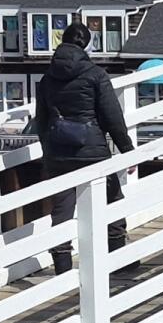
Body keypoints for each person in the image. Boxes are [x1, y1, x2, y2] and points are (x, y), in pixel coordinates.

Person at [32, 22, 135, 275]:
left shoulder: (47, 78)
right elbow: (112, 116)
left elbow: (41, 119)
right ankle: (117, 261)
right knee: (111, 200)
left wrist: (49, 151)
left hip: (59, 151)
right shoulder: (95, 74)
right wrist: (127, 150)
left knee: (62, 209)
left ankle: (63, 267)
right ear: (86, 44)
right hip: (92, 150)